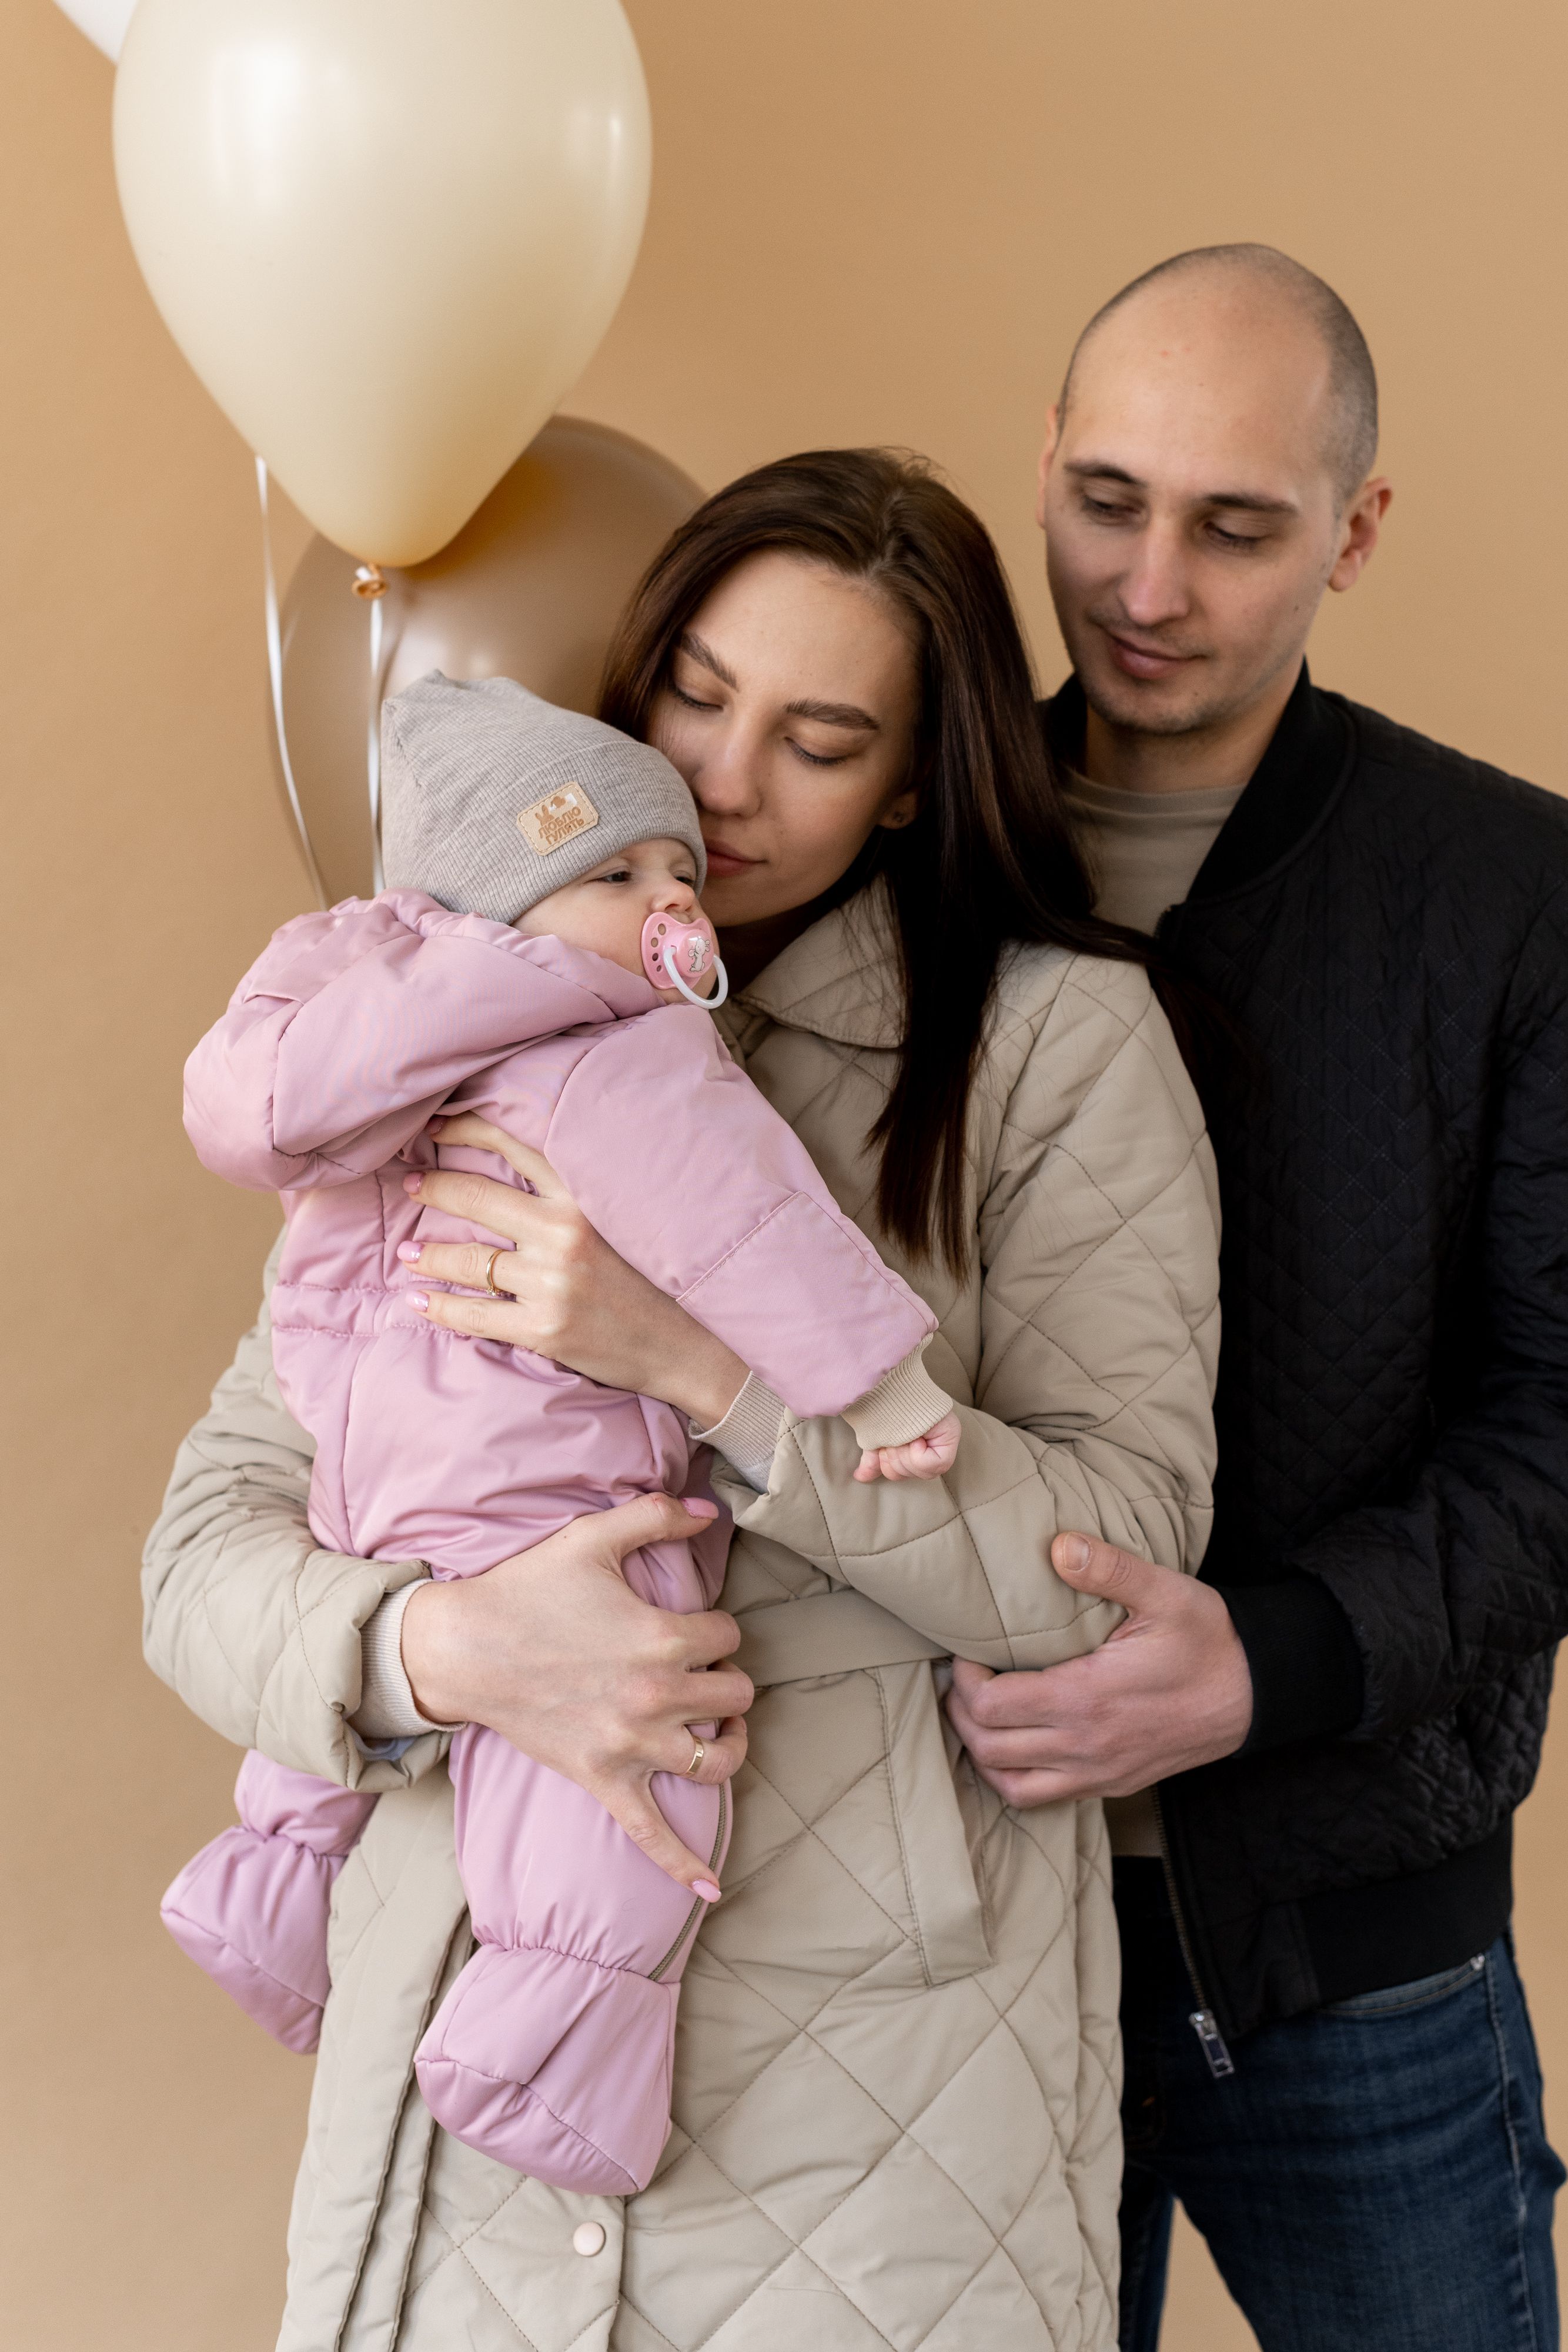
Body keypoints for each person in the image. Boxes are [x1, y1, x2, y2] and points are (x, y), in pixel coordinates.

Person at [143, 449, 1219, 2350]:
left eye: (819, 740)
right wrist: (439, 1650)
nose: (720, 783)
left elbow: (1113, 1558)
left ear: (911, 778)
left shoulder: (1052, 1047)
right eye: (695, 698)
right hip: (452, 2074)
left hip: (866, 2115)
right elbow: (205, 1548)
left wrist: (701, 1369)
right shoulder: (433, 1016)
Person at [947, 243, 1568, 2352]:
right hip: (950, 1948)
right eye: (1103, 501)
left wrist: (1266, 1665)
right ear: (1044, 458)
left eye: (1234, 528)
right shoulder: (908, 854)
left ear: (1353, 533)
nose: (1146, 586)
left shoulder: (1515, 899)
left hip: (1353, 1950)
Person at [160, 673, 959, 2196]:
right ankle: (562, 2038)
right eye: (618, 874)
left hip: (361, 1483)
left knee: (334, 1739)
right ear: (504, 901)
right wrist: (880, 1385)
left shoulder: (362, 1044)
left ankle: (267, 1897)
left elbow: (250, 1112)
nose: (672, 902)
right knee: (645, 1758)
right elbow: (750, 1228)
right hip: (560, 1498)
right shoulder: (625, 1048)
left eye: (678, 873)